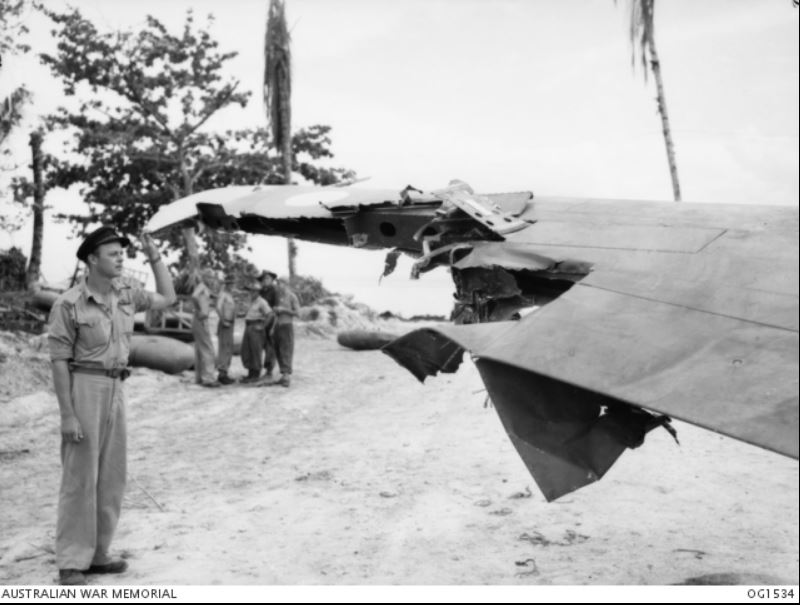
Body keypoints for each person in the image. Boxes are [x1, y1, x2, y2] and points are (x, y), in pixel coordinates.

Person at [47, 227, 176, 586]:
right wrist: (68, 414)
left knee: (111, 476)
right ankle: (72, 560)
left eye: (123, 253)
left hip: (117, 386)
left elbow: (168, 296)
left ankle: (99, 554)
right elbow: (58, 361)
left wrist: (155, 256)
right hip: (84, 386)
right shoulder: (69, 304)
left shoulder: (127, 293)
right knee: (80, 478)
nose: (121, 258)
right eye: (113, 253)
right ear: (92, 259)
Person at [190, 269, 220, 388]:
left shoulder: (205, 288)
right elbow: (194, 296)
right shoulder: (202, 286)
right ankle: (208, 378)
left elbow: (207, 296)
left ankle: (199, 377)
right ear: (205, 277)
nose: (212, 280)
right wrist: (199, 310)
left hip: (199, 319)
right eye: (210, 277)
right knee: (208, 349)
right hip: (201, 319)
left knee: (200, 349)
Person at [240, 281, 272, 383]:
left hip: (256, 327)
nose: (252, 293)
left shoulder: (262, 302)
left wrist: (263, 327)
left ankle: (255, 374)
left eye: (254, 291)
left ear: (258, 292)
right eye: (251, 291)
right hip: (249, 326)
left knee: (255, 351)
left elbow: (270, 314)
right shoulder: (252, 301)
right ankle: (250, 373)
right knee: (246, 350)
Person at [270, 278, 300, 387]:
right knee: (278, 350)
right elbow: (276, 314)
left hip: (287, 326)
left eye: (281, 284)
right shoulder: (278, 297)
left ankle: (287, 376)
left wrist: (284, 310)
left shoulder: (292, 296)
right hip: (278, 326)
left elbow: (298, 313)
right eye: (278, 284)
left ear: (286, 284)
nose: (279, 286)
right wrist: (272, 327)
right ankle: (283, 374)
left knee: (286, 349)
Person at [215, 275, 236, 385]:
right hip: (225, 323)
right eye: (230, 283)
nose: (232, 285)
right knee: (224, 348)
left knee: (228, 348)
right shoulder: (223, 294)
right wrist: (223, 320)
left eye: (232, 283)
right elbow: (218, 307)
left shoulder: (230, 296)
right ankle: (222, 374)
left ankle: (225, 372)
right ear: (226, 284)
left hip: (230, 324)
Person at [258, 270, 278, 382]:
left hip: (271, 321)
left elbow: (275, 309)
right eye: (263, 279)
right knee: (263, 345)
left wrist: (274, 325)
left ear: (272, 280)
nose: (265, 281)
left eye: (267, 279)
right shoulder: (261, 292)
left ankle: (269, 371)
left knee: (271, 346)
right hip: (261, 321)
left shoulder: (275, 291)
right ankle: (258, 370)